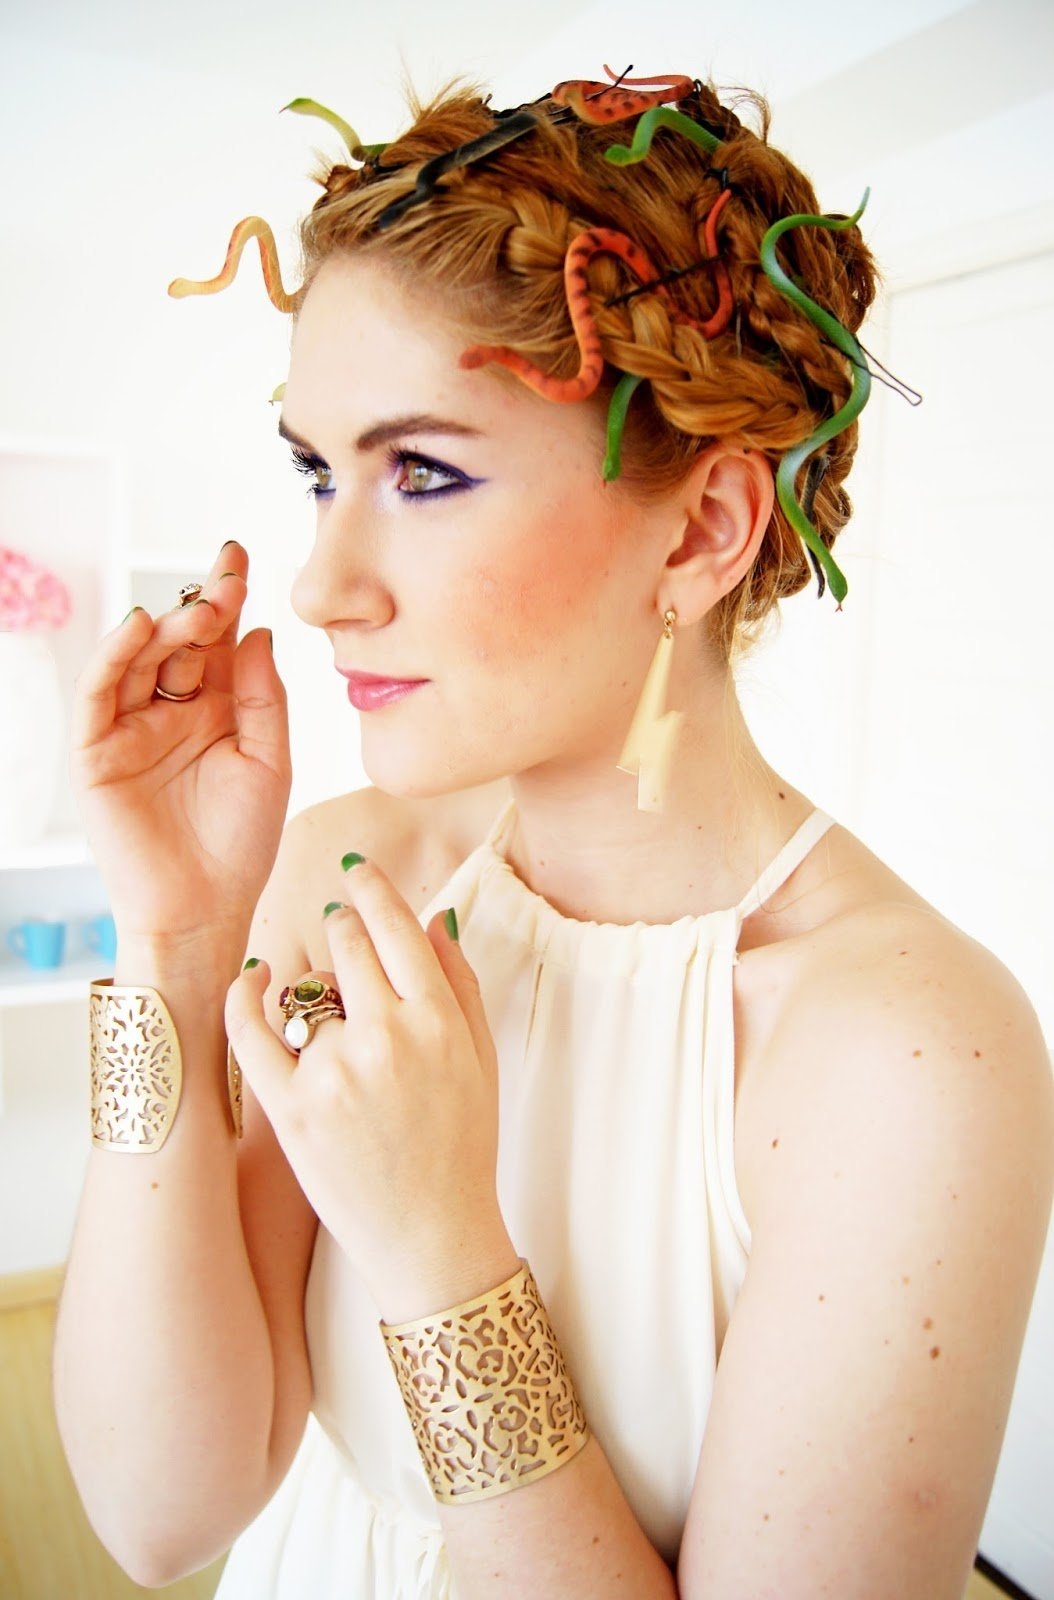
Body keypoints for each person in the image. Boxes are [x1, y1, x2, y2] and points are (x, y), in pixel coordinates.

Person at [53, 67, 1052, 1600]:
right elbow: (157, 1513)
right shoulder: (351, 879)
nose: (320, 586)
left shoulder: (907, 1048)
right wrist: (172, 949)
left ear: (701, 530)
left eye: (424, 473)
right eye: (318, 472)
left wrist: (437, 1246)